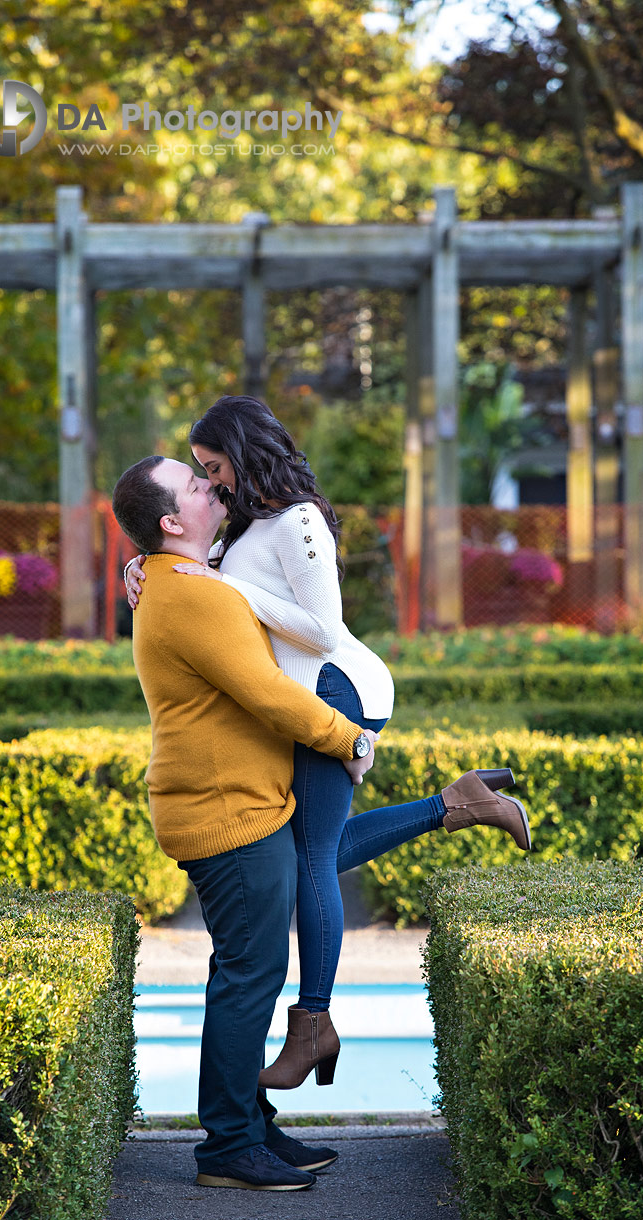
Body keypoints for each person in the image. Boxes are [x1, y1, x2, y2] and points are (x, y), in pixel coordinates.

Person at [124, 397, 531, 1094]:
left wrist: (225, 587)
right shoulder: (246, 522)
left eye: (213, 468)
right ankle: (457, 804)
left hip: (336, 688)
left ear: (243, 453)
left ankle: (312, 1022)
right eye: (199, 475)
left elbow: (320, 627)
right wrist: (143, 562)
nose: (211, 483)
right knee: (301, 852)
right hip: (310, 697)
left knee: (308, 855)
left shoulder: (299, 520)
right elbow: (188, 562)